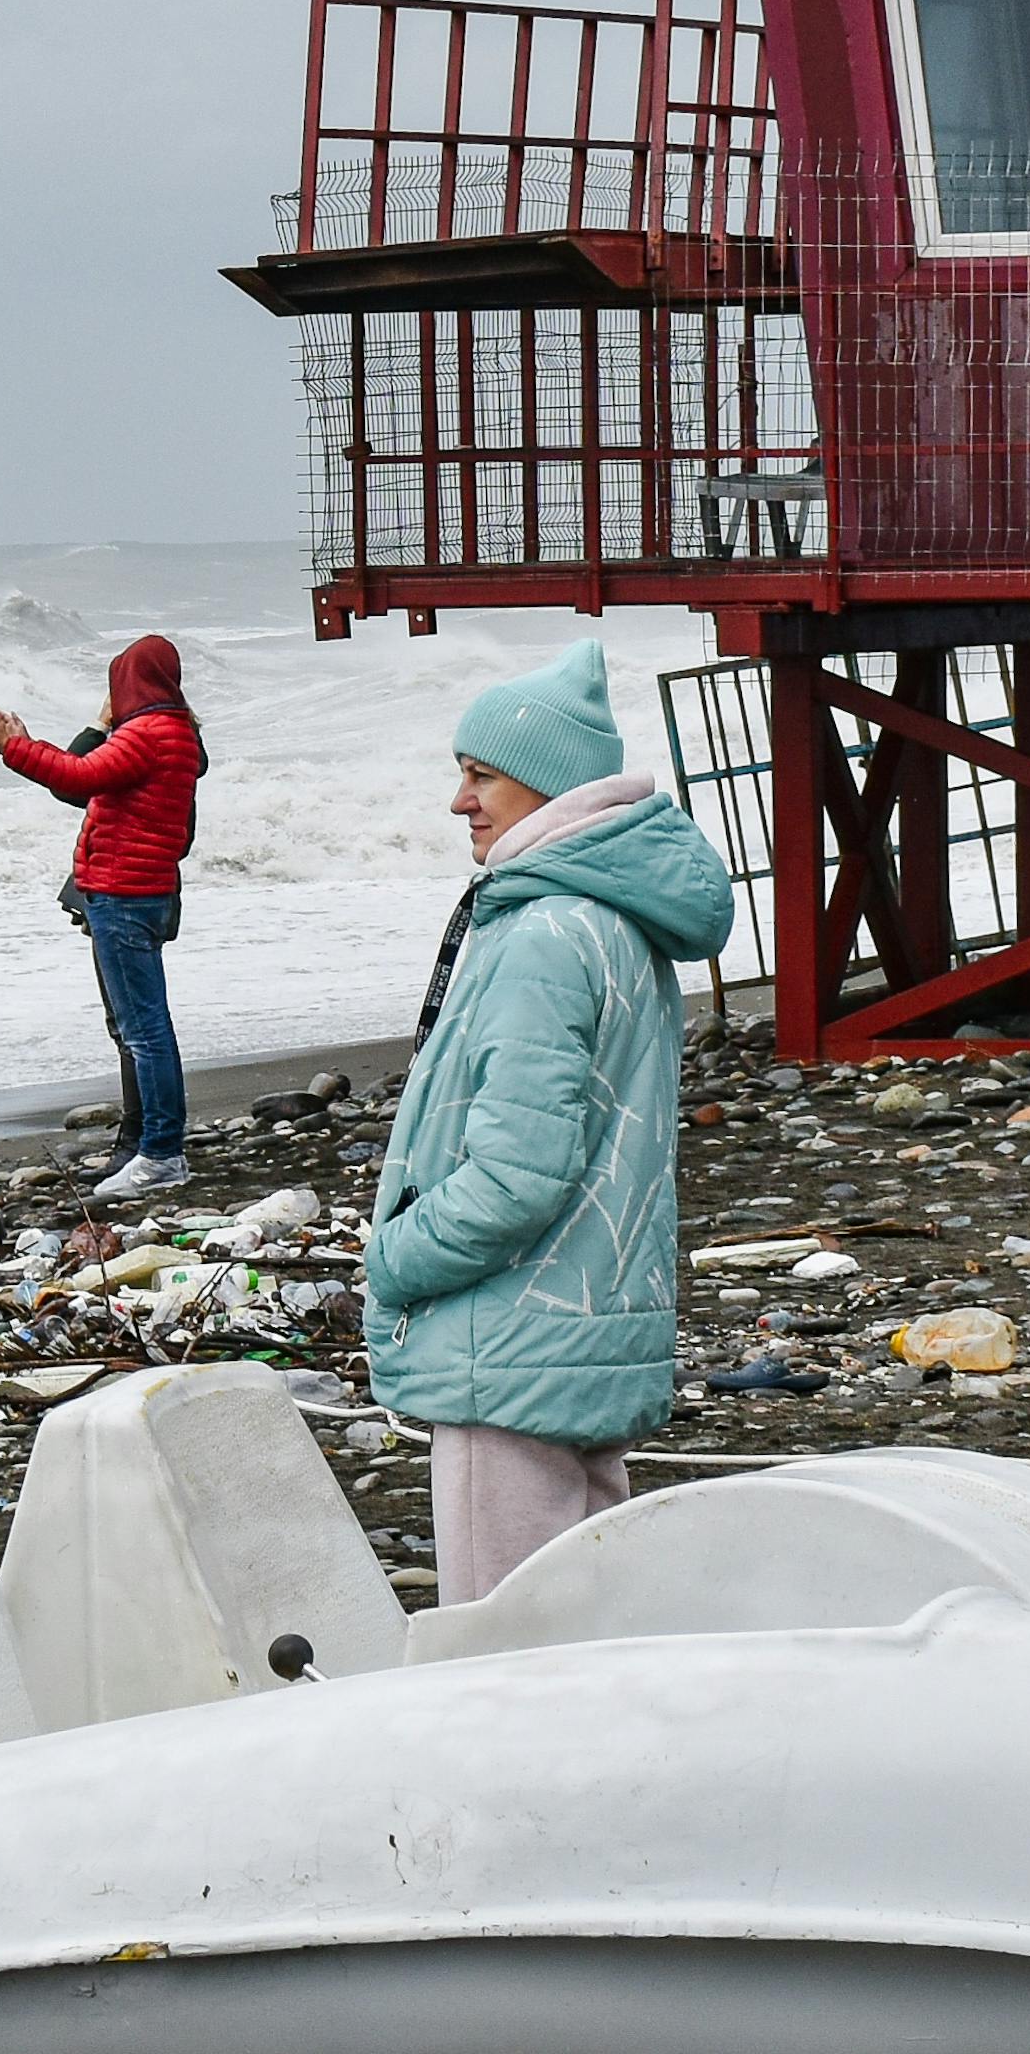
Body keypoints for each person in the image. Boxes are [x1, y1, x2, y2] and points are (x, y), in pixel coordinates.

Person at [364, 639, 736, 1603]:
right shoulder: (614, 921)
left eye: (480, 775)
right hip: (588, 1321)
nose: (459, 802)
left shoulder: (541, 933)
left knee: (505, 1651)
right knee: (586, 1634)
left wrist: (394, 1258)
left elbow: (518, 1175)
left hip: (514, 1340)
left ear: (546, 785)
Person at [0, 636, 205, 1201]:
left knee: (144, 1032)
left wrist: (13, 747)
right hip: (144, 891)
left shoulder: (147, 734)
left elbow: (74, 777)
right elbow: (87, 776)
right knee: (145, 1029)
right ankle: (152, 1147)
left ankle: (160, 1153)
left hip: (123, 894)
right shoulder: (176, 733)